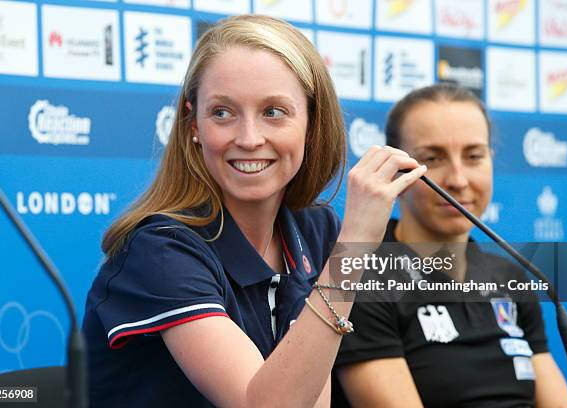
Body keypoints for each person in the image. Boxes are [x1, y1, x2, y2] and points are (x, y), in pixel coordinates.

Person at [82, 15, 426, 408]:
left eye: (274, 112)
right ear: (192, 122)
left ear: (312, 123)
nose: (248, 138)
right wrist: (356, 245)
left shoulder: (314, 229)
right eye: (223, 113)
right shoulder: (159, 250)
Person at [332, 83, 567, 408]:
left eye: (474, 156)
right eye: (433, 158)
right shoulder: (359, 279)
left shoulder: (508, 275)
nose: (459, 180)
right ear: (397, 170)